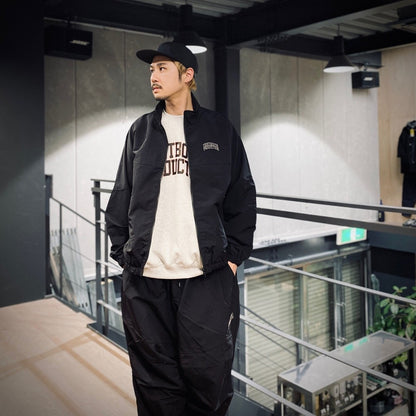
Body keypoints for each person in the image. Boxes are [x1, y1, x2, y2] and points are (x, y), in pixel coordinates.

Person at [105, 41, 256, 416]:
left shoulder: (219, 129)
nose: (153, 77)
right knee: (154, 382)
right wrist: (123, 253)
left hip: (205, 277)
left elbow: (241, 194)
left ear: (187, 75)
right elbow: (122, 192)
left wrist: (233, 258)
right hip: (147, 279)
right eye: (151, 70)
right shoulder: (141, 130)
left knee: (208, 377)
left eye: (162, 68)